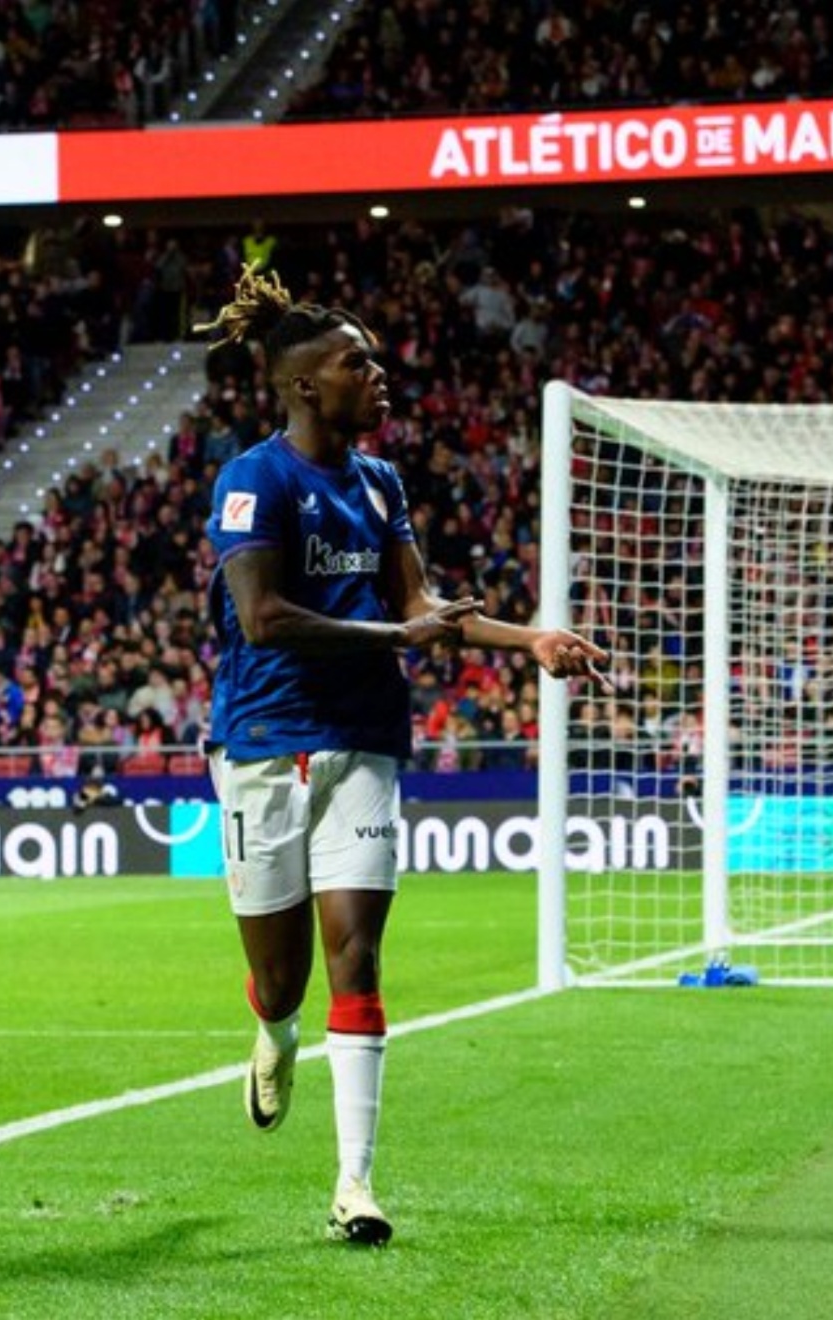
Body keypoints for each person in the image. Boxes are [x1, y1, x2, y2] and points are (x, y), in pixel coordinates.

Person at [193, 266, 611, 1247]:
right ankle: (273, 1030)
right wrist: (391, 637)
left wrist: (532, 640)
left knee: (359, 951)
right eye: (355, 364)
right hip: (262, 745)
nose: (377, 377)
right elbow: (260, 619)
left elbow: (423, 610)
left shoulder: (380, 484)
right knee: (285, 977)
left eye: (375, 362)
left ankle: (355, 1185)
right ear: (303, 384)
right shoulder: (255, 479)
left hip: (367, 744)